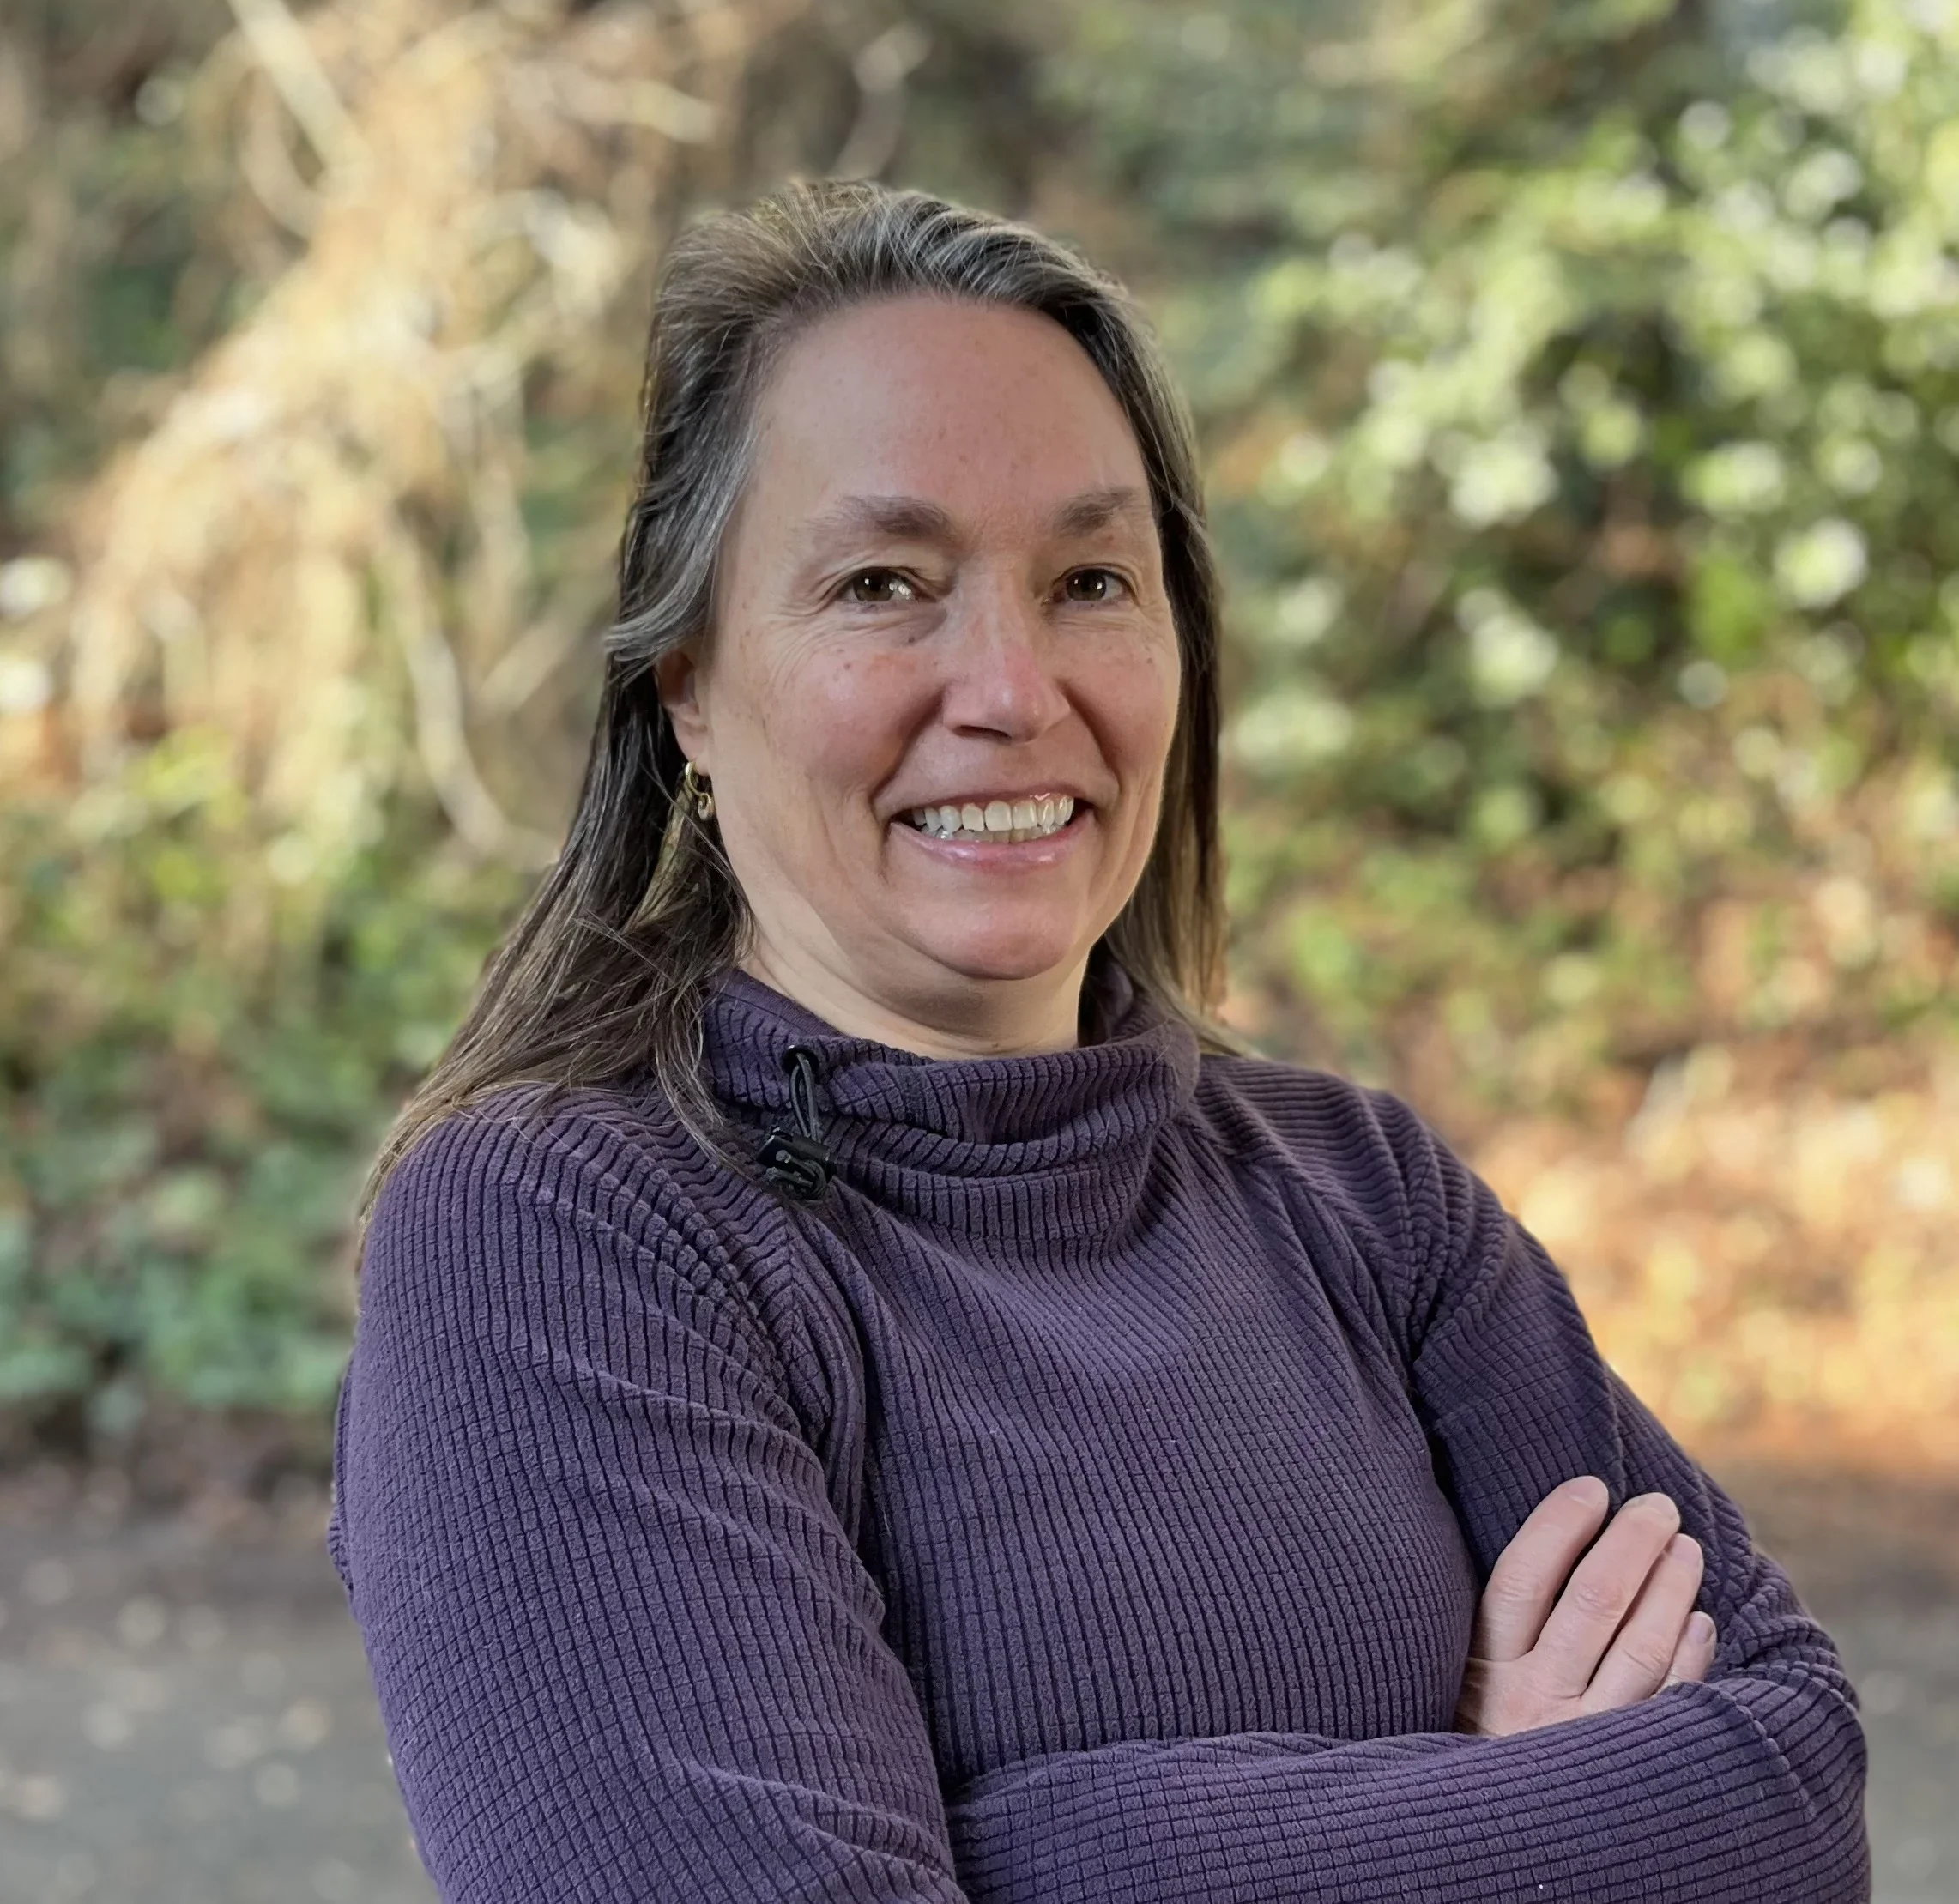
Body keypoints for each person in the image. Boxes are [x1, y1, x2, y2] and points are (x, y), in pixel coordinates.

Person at [327, 179, 1869, 1903]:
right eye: (884, 582)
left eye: (1087, 579)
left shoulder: (1365, 1198)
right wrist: (1508, 1806)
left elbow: (1788, 1785)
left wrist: (1034, 1846)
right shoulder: (566, 1241)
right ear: (688, 681)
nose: (1008, 684)